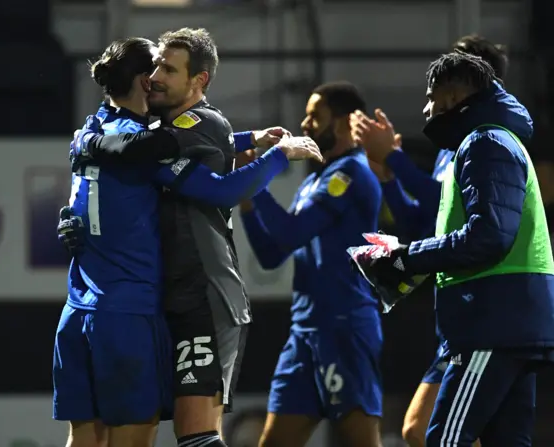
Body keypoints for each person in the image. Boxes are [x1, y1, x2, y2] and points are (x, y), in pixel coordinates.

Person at [53, 36, 321, 447]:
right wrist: (273, 150)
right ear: (142, 81)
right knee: (157, 434)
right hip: (142, 308)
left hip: (131, 304)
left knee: (118, 437)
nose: (158, 78)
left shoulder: (95, 133)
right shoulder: (144, 145)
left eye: (168, 70)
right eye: (155, 69)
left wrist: (263, 145)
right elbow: (207, 172)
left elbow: (197, 160)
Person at [355, 51, 554, 446]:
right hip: (508, 320)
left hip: (492, 322)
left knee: (444, 438)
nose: (426, 109)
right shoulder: (489, 141)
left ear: (449, 98)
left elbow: (489, 236)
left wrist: (404, 259)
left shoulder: (485, 143)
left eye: (430, 98)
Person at [238, 81, 383, 447]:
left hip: (343, 326)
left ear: (344, 122)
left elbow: (288, 232)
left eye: (314, 115)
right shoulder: (315, 180)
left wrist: (254, 180)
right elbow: (273, 256)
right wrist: (248, 205)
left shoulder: (350, 174)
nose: (305, 123)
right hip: (304, 333)